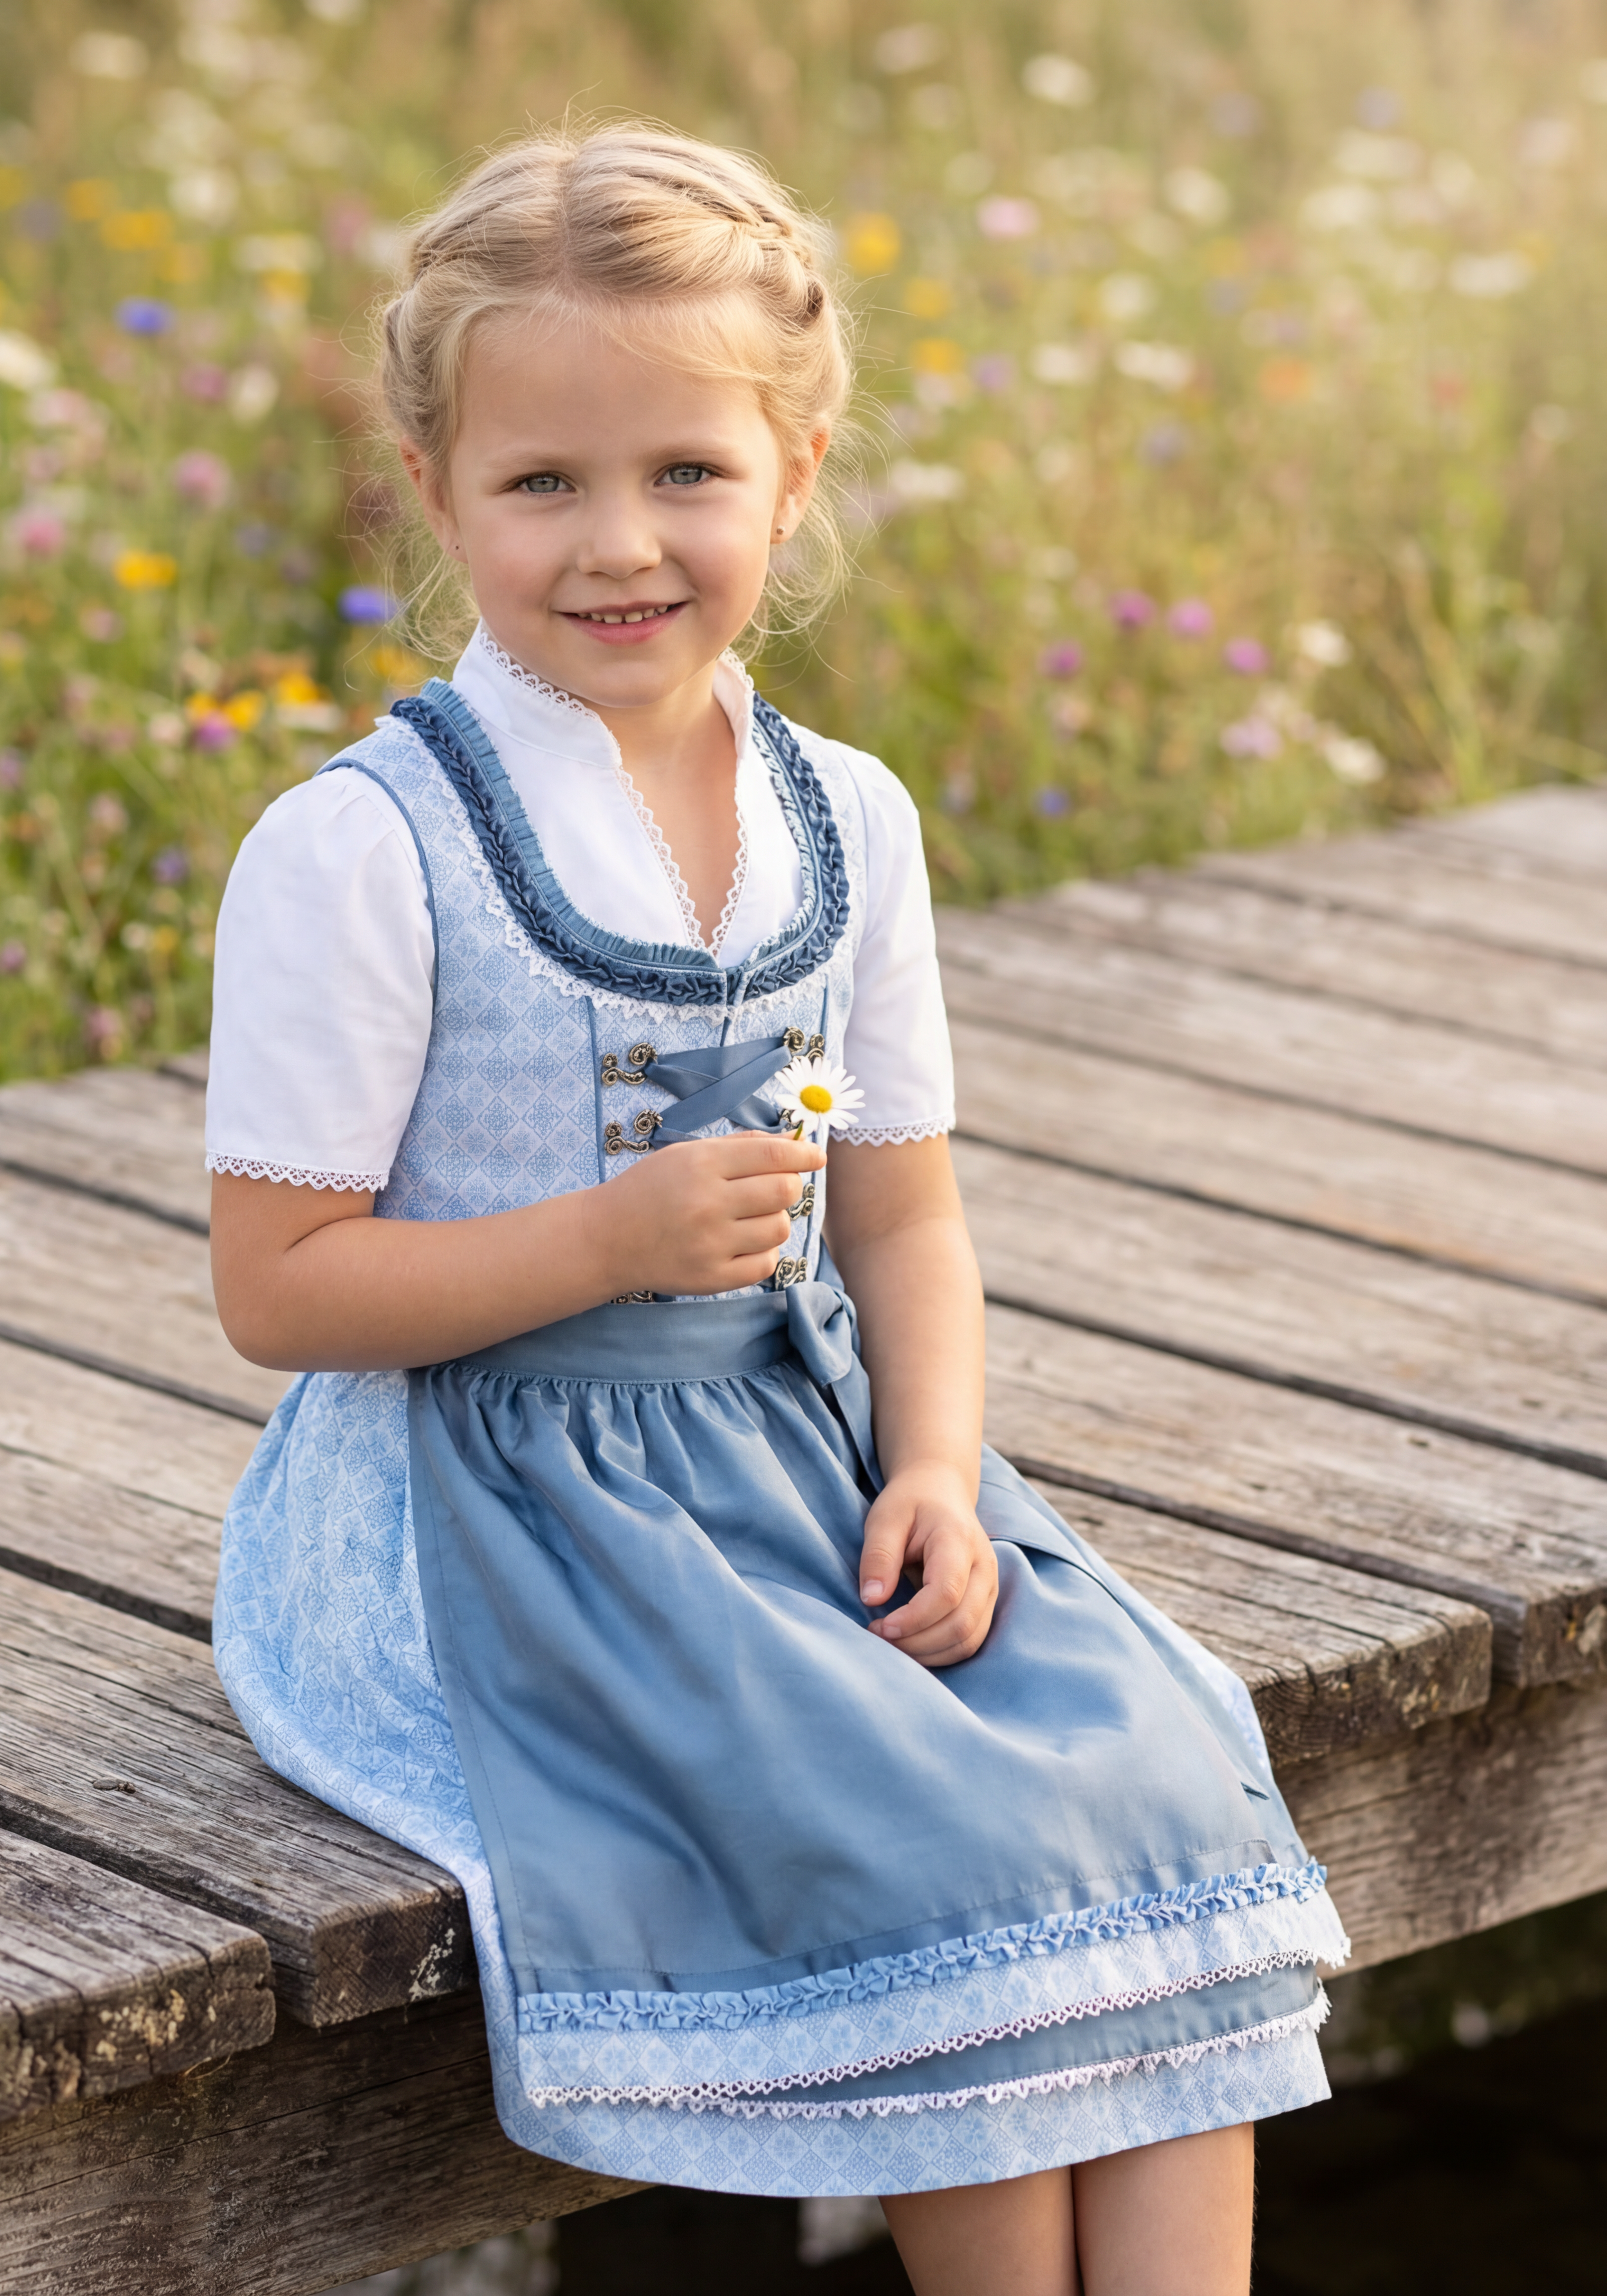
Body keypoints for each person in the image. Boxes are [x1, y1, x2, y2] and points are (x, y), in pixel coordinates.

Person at [203, 123, 1346, 2296]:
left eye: (687, 473)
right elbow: (280, 1288)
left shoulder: (847, 819)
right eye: (543, 482)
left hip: (791, 1442)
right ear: (435, 491)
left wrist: (937, 1469)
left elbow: (899, 1221)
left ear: (794, 474)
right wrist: (605, 1247)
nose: (618, 542)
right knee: (945, 1836)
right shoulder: (365, 848)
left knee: (1153, 1766)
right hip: (483, 1502)